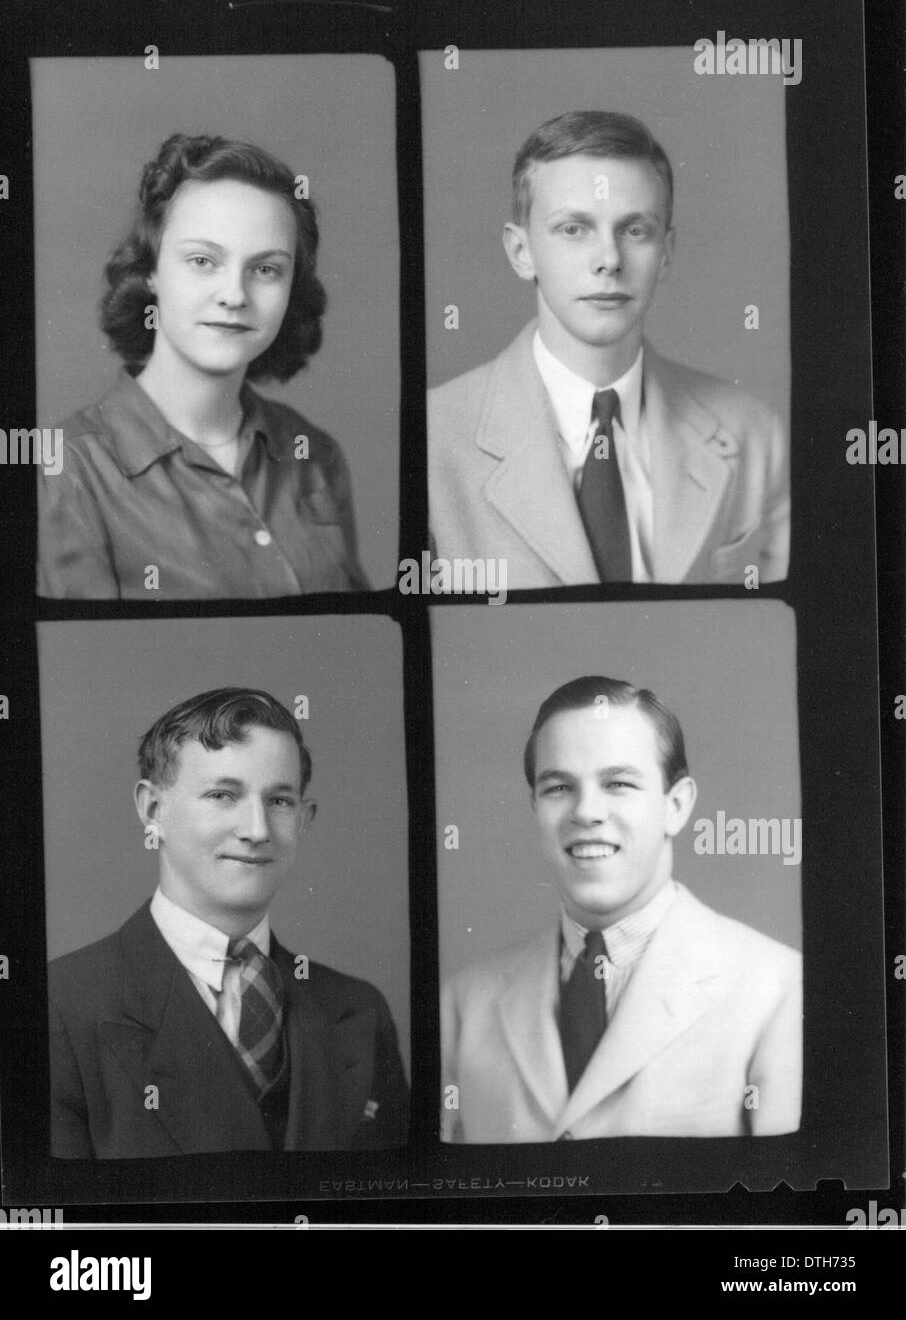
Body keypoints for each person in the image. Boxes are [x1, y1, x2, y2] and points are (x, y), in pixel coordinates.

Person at [428, 112, 790, 586]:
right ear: (521, 252)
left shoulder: (753, 433)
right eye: (574, 229)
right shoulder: (432, 440)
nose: (609, 261)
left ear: (666, 253)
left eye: (635, 230)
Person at [48, 688, 408, 1157]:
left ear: (304, 819)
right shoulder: (55, 1007)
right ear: (153, 810)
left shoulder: (358, 1008)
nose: (256, 830)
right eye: (223, 794)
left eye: (279, 801)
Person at [441, 676, 802, 1142]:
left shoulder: (778, 990)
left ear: (676, 805)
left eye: (618, 783)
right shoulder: (464, 1004)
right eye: (558, 788)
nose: (586, 812)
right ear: (534, 806)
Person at [38, 134, 368, 599]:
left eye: (266, 269)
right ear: (151, 271)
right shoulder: (64, 471)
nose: (234, 294)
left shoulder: (315, 455)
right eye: (202, 261)